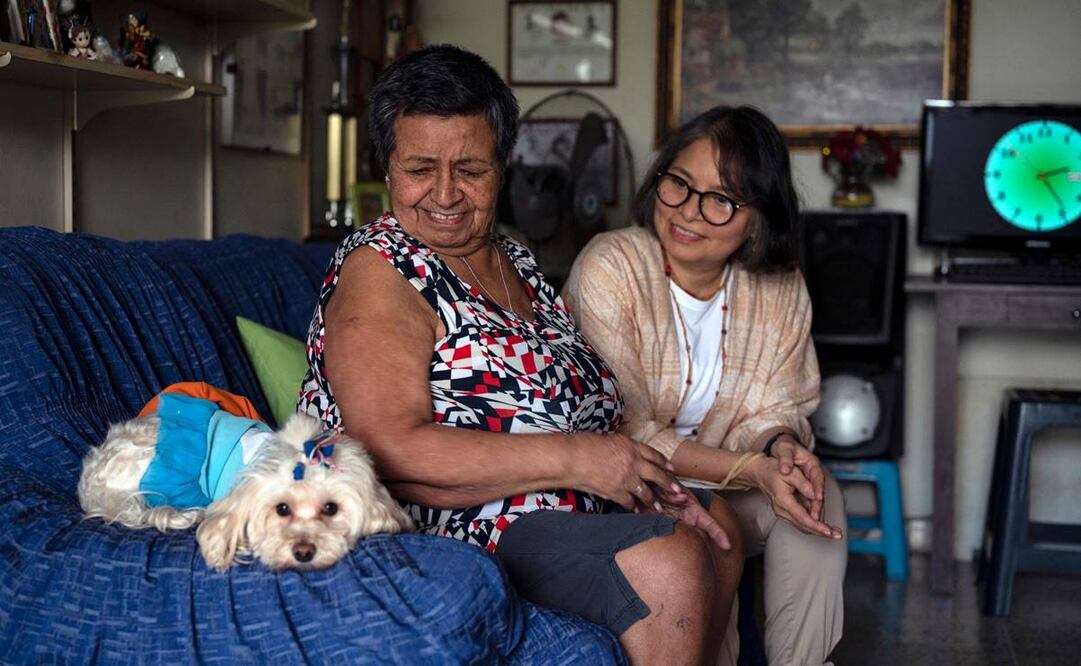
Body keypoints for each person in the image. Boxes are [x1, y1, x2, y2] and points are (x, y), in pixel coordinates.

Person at [298, 44, 743, 664]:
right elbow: (387, 446)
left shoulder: (513, 258)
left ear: (503, 167)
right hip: (459, 526)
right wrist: (582, 460)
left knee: (719, 526)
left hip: (563, 505)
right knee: (670, 559)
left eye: (471, 169)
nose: (445, 194)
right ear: (388, 167)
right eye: (420, 168)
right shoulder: (382, 269)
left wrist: (643, 479)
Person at [563, 106, 849, 666]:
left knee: (817, 497)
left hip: (732, 481)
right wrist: (752, 470)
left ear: (757, 218)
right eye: (679, 184)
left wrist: (780, 449)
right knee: (707, 530)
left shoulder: (779, 286)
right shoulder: (611, 266)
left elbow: (775, 407)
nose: (689, 212)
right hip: (631, 491)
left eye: (721, 200)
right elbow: (624, 426)